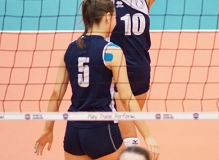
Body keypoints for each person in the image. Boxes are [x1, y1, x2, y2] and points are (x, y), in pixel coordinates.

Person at [34, 0, 159, 159]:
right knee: (128, 142)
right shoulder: (112, 52)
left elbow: (55, 94)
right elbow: (127, 98)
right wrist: (148, 135)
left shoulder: (70, 49)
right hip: (102, 129)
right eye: (114, 17)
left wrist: (48, 129)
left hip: (73, 132)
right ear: (107, 18)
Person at [109, 0, 156, 147]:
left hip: (141, 72)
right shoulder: (108, 3)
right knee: (130, 138)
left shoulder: (145, 2)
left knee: (123, 129)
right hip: (119, 74)